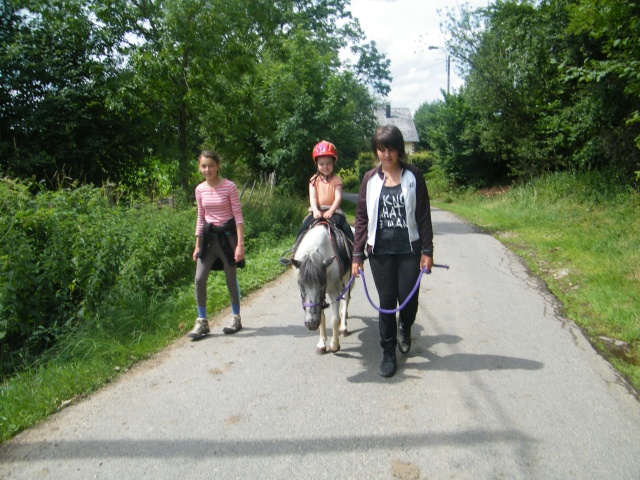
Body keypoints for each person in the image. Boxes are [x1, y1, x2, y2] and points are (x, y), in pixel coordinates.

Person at [351, 126, 434, 377]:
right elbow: (362, 218)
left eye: (391, 148)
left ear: (399, 149)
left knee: (408, 300)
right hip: (380, 252)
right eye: (381, 148)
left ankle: (405, 327)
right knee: (387, 303)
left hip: (410, 250)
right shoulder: (369, 179)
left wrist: (427, 250)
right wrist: (357, 255)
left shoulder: (414, 175)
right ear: (376, 150)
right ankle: (388, 352)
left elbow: (423, 216)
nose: (386, 154)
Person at [188, 150, 245, 340]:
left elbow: (238, 216)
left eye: (211, 165)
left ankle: (235, 317)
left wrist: (240, 244)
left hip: (227, 239)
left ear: (218, 166)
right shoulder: (199, 190)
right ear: (199, 167)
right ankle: (202, 321)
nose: (207, 169)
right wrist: (197, 245)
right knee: (199, 279)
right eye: (204, 166)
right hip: (208, 240)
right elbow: (200, 217)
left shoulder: (229, 187)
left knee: (230, 279)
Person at [296, 140, 354, 245]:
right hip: (317, 210)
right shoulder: (313, 180)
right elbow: (313, 198)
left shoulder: (337, 180)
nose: (325, 167)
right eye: (321, 164)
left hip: (333, 211)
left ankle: (355, 252)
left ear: (333, 163)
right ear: (317, 164)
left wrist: (331, 211)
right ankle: (294, 252)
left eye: (328, 163)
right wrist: (315, 210)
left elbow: (338, 198)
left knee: (346, 228)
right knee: (302, 229)